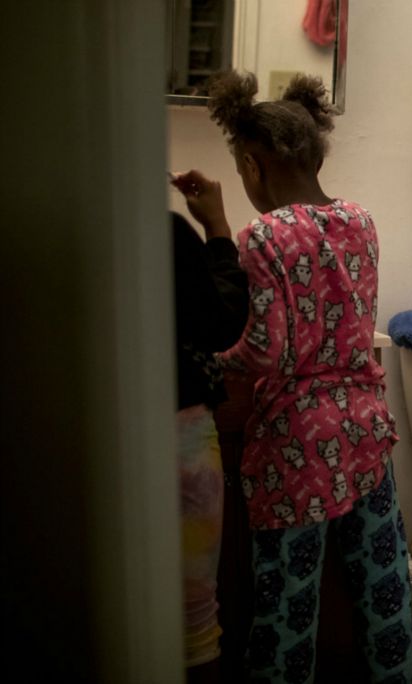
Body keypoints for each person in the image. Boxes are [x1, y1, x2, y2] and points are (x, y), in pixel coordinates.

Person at [171, 70, 412, 684]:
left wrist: (214, 360)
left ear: (252, 167)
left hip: (298, 446)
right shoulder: (361, 220)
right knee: (386, 601)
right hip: (366, 432)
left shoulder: (263, 236)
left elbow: (266, 349)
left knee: (286, 617)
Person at [170, 210, 249, 683]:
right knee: (196, 610)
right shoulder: (167, 232)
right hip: (182, 426)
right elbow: (222, 322)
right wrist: (216, 227)